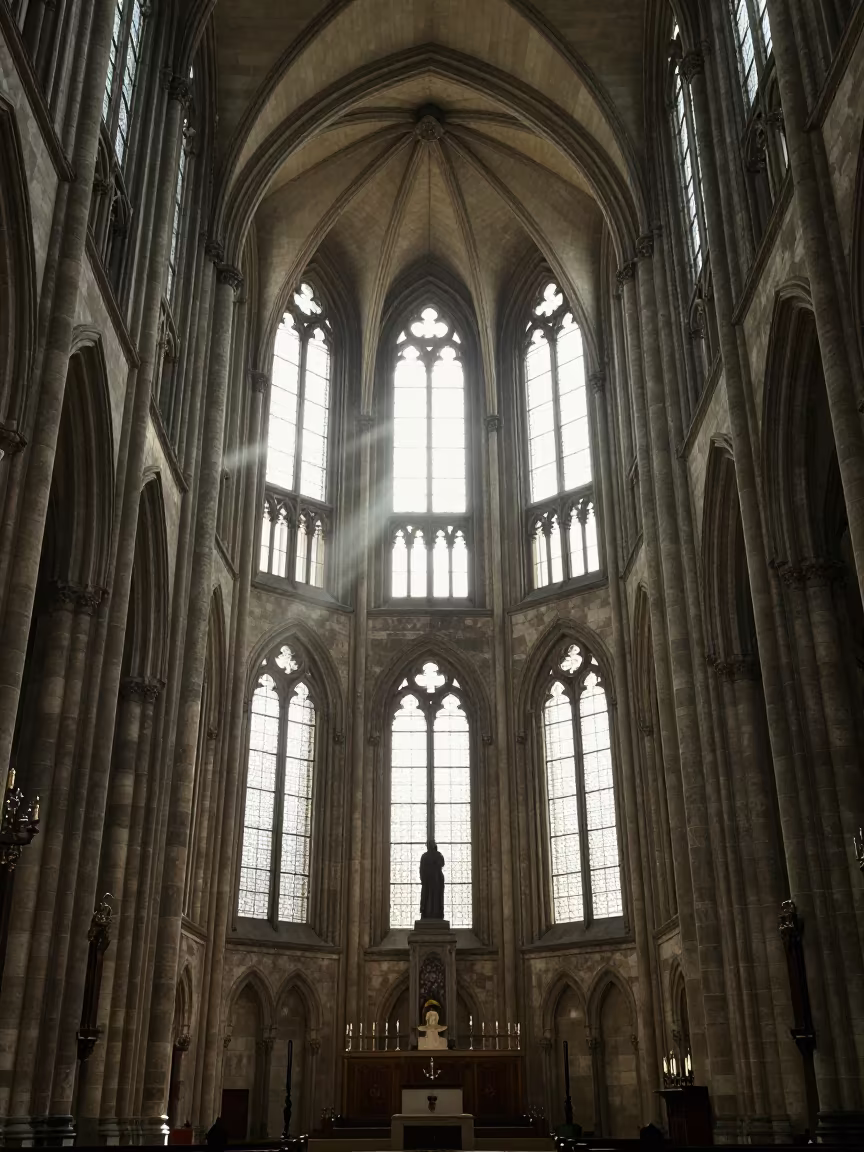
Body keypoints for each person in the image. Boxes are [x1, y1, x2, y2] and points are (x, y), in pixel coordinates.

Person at [419, 840, 445, 919]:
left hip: (436, 879)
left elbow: (442, 863)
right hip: (428, 879)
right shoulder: (425, 856)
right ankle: (426, 913)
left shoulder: (438, 855)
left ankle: (437, 913)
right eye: (428, 844)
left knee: (436, 897)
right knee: (427, 896)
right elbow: (421, 868)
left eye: (431, 844)